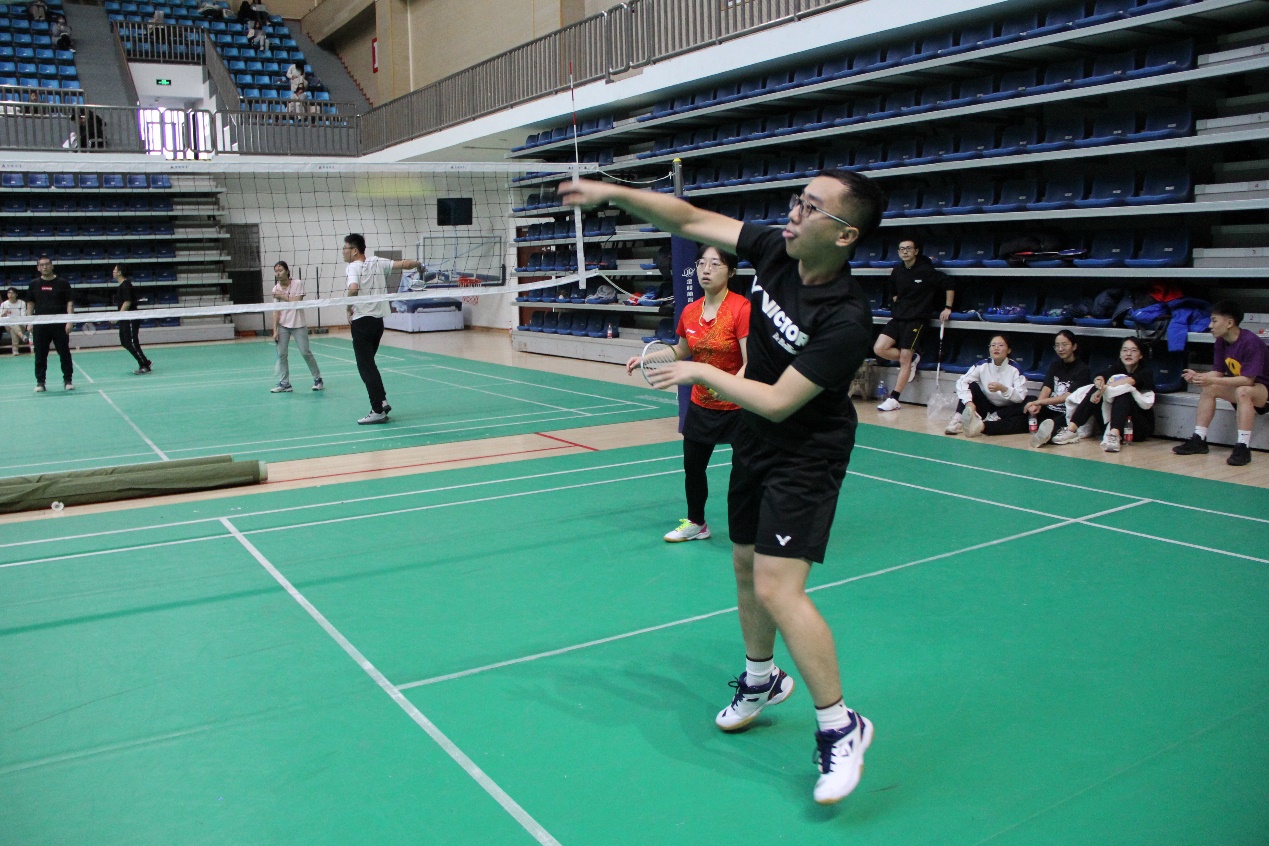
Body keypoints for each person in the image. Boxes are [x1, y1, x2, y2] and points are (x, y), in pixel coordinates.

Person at [560, 171, 885, 806]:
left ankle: (840, 725)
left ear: (844, 234)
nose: (793, 214)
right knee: (743, 563)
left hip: (806, 452)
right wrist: (615, 194)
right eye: (797, 201)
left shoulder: (846, 319)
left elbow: (780, 400)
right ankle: (761, 679)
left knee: (777, 587)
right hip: (755, 438)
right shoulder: (774, 250)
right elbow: (687, 219)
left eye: (810, 208)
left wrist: (699, 370)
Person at [628, 245, 749, 543]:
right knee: (693, 468)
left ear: (731, 272)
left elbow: (751, 362)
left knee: (743, 475)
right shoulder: (690, 311)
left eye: (715, 264)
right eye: (701, 263)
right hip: (701, 404)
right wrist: (646, 359)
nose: (706, 270)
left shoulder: (741, 308)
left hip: (739, 408)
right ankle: (697, 523)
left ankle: (745, 531)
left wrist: (731, 388)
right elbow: (681, 350)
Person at [1172, 300, 1268, 466]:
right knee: (1209, 387)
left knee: (1243, 391)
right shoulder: (1221, 341)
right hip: (1242, 387)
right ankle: (1199, 438)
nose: (1210, 325)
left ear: (1229, 323)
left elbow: (1248, 380)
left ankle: (1243, 446)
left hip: (1263, 390)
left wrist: (1212, 379)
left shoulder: (1251, 342)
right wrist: (1200, 377)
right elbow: (1217, 372)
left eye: (1214, 320)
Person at [343, 234, 420, 424]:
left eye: (345, 248)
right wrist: (420, 264)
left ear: (354, 250)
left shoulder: (353, 267)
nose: (343, 252)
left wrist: (348, 306)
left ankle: (377, 410)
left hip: (362, 322)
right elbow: (405, 264)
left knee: (365, 367)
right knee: (370, 364)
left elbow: (353, 288)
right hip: (378, 324)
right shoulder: (377, 262)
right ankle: (382, 401)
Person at [873, 237, 954, 411]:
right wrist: (899, 304)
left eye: (909, 248)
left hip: (917, 319)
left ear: (916, 251)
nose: (905, 251)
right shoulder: (897, 271)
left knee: (904, 358)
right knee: (879, 348)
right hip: (898, 318)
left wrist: (947, 307)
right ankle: (912, 359)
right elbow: (893, 291)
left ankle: (894, 398)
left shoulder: (926, 270)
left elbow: (949, 284)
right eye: (902, 249)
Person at [1051, 337, 1155, 452]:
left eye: (1133, 350)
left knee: (1123, 393)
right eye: (1125, 350)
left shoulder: (1146, 372)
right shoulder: (1116, 368)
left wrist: (1103, 389)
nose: (1128, 354)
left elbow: (1128, 381)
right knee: (1094, 389)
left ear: (1141, 355)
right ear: (1120, 353)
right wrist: (1099, 382)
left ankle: (1114, 435)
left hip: (1137, 427)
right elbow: (1101, 375)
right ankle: (1071, 430)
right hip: (1112, 421)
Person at [945, 334, 1028, 437]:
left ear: (1009, 350)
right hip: (986, 405)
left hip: (1007, 408)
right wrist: (968, 402)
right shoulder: (981, 365)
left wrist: (1003, 389)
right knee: (971, 386)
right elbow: (962, 382)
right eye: (993, 345)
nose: (996, 348)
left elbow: (1020, 396)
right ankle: (959, 420)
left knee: (1029, 400)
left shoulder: (1015, 369)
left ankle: (991, 420)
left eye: (1001, 345)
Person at [1025, 330, 1092, 447]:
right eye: (1057, 345)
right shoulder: (1055, 365)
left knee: (1054, 427)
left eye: (1064, 345)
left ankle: (1049, 435)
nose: (1060, 349)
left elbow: (1067, 397)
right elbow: (1047, 388)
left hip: (1066, 412)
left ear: (1074, 346)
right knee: (1026, 406)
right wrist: (1038, 405)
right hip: (1050, 408)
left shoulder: (1083, 370)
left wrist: (1039, 402)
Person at [270, 260, 323, 393]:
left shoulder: (298, 283)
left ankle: (318, 379)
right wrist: (275, 330)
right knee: (282, 354)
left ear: (287, 271)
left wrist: (282, 296)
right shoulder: (275, 289)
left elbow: (297, 303)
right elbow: (275, 311)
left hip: (298, 324)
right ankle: (285, 383)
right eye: (276, 271)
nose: (278, 273)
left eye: (280, 270)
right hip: (282, 325)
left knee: (305, 352)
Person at [26, 255, 74, 393]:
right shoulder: (34, 284)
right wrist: (29, 322)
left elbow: (69, 303)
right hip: (40, 325)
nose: (45, 267)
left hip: (59, 324)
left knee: (64, 353)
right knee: (40, 355)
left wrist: (69, 320)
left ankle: (68, 380)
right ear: (38, 268)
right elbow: (30, 304)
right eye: (42, 265)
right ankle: (40, 382)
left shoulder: (63, 283)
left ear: (52, 266)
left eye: (47, 264)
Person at [113, 264, 152, 374]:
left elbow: (127, 302)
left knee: (131, 342)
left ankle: (144, 365)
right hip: (125, 318)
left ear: (119, 272)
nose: (113, 272)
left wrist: (117, 317)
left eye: (114, 270)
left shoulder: (126, 285)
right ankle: (145, 361)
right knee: (124, 342)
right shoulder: (121, 286)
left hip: (131, 318)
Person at [1, 287, 30, 355]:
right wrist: (4, 313)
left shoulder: (22, 303)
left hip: (21, 324)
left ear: (16, 294)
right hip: (8, 325)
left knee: (13, 330)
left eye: (13, 293)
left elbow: (23, 316)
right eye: (9, 293)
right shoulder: (4, 304)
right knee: (12, 323)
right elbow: (1, 317)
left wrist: (15, 320)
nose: (10, 295)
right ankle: (21, 336)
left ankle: (15, 350)